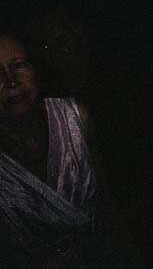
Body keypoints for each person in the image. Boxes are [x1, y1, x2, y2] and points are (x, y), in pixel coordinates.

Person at [0, 33, 111, 268]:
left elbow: (105, 202)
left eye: (19, 66)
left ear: (35, 69)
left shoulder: (74, 117)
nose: (11, 81)